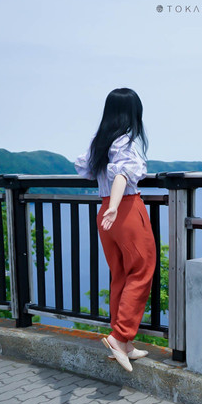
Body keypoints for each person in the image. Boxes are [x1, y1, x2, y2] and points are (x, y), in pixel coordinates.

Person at [74, 88, 156, 372]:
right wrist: (116, 206)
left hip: (105, 213)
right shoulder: (126, 141)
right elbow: (122, 173)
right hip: (126, 210)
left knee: (121, 273)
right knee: (141, 271)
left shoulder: (100, 141)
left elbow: (87, 169)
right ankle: (120, 338)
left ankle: (125, 342)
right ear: (133, 113)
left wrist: (108, 207)